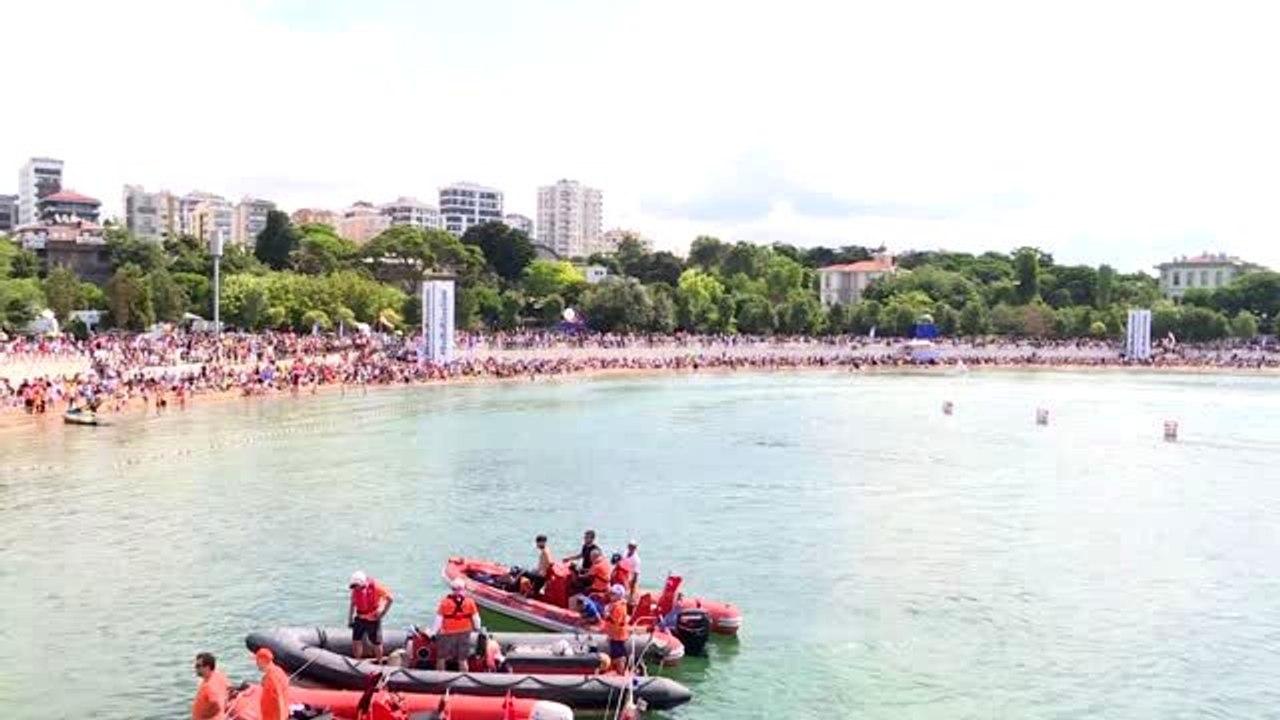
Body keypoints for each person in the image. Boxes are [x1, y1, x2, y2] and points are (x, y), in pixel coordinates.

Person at [432, 578, 481, 671]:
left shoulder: (445, 602)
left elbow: (438, 620)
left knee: (441, 658)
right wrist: (477, 629)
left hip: (447, 633)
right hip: (464, 632)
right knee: (462, 659)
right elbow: (476, 618)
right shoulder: (470, 602)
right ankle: (464, 680)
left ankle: (440, 678)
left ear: (452, 589)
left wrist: (433, 633)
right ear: (464, 589)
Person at [347, 571, 394, 664]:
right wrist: (350, 618)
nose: (355, 588)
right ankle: (357, 662)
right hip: (360, 618)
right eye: (354, 586)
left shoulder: (376, 588)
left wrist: (383, 613)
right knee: (356, 641)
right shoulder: (355, 590)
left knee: (377, 643)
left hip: (373, 619)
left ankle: (380, 663)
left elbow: (390, 598)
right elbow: (352, 604)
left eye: (357, 585)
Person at [255, 647, 289, 720]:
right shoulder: (277, 671)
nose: (256, 663)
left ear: (262, 660)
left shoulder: (273, 677)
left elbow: (280, 698)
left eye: (257, 660)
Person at [191, 652, 228, 720]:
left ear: (207, 667)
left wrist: (203, 716)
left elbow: (215, 705)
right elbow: (229, 690)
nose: (195, 668)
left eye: (198, 666)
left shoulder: (209, 686)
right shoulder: (218, 675)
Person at [604, 584, 631, 673]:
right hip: (615, 634)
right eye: (611, 593)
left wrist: (607, 615)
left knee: (618, 655)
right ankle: (619, 669)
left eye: (613, 594)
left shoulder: (618, 607)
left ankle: (621, 672)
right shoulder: (616, 605)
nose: (611, 595)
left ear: (619, 595)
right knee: (616, 653)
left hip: (618, 635)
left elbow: (615, 622)